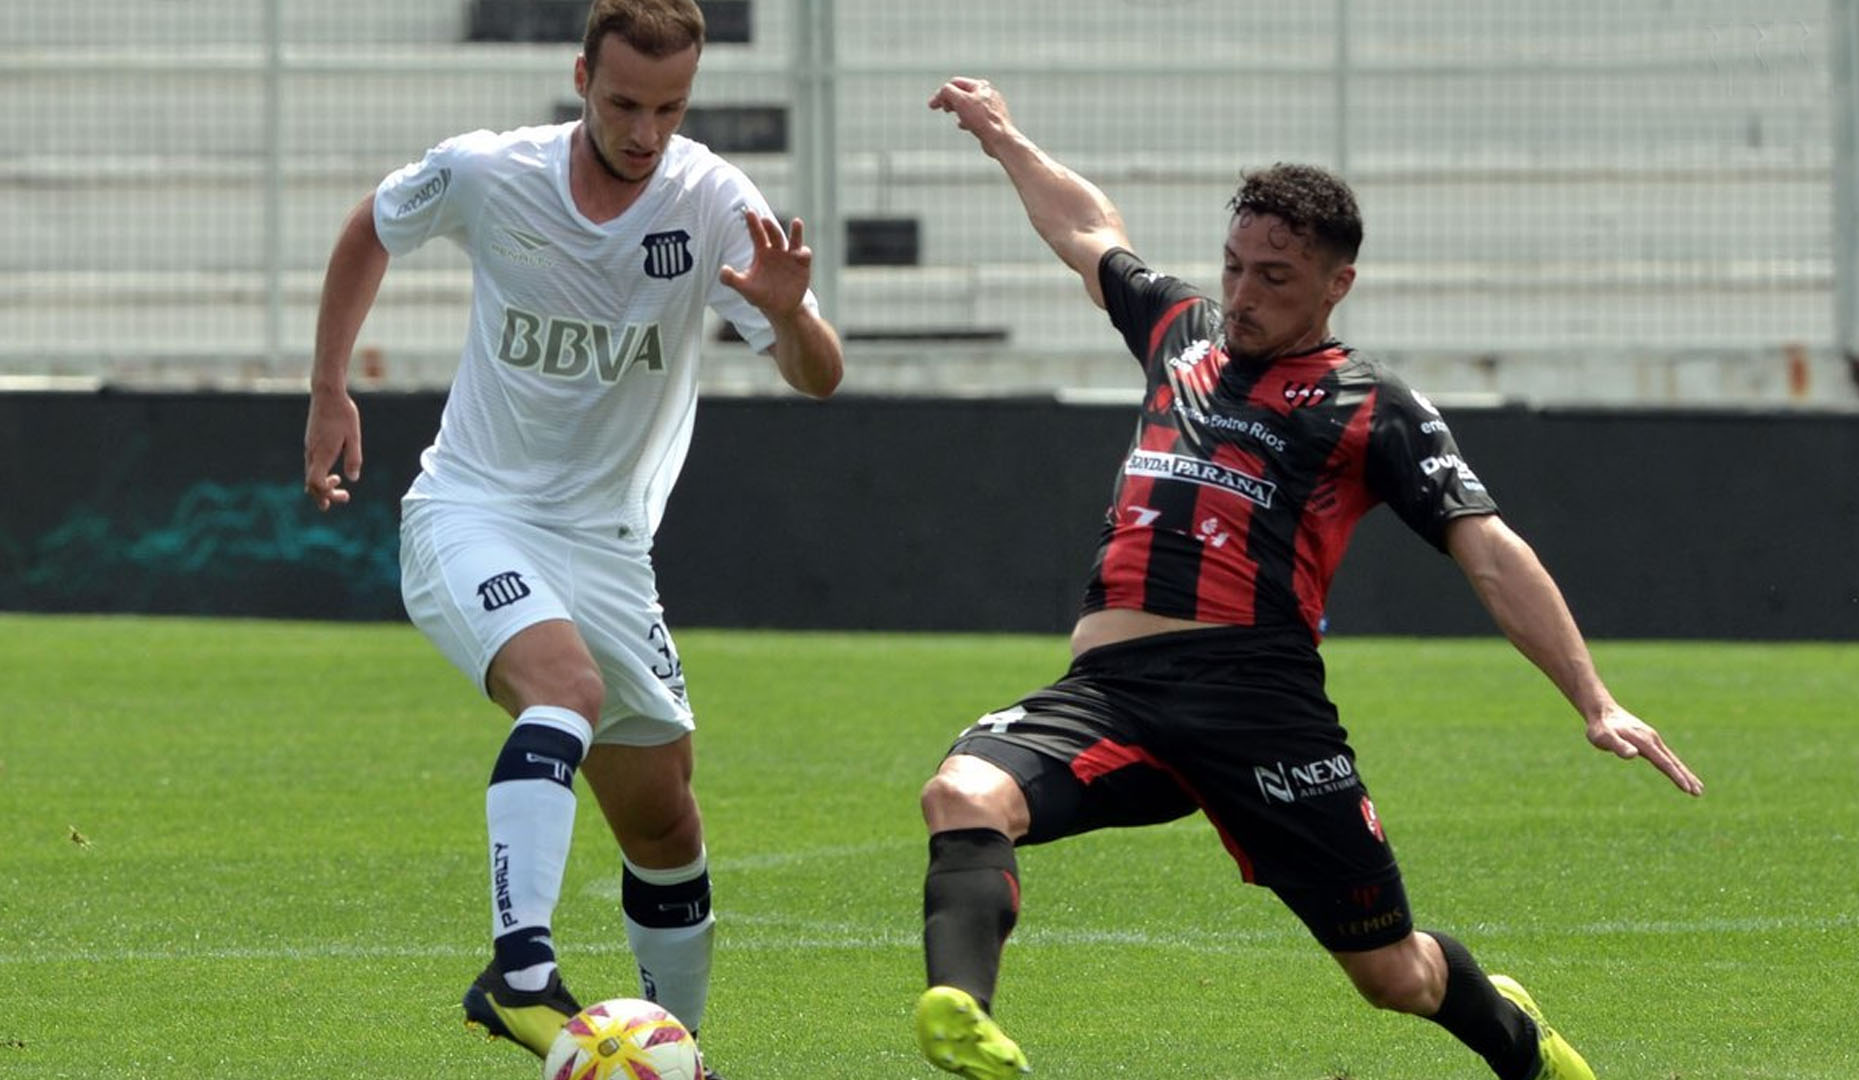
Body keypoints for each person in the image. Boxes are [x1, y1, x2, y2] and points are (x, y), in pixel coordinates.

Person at [912, 76, 1702, 1080]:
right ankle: (962, 1016)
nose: (1242, 296)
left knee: (1393, 976)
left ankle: (1521, 1043)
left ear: (1338, 284)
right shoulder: (1181, 336)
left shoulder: (1373, 407)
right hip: (1112, 697)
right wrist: (1003, 137)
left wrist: (1595, 700)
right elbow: (1089, 231)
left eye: (1275, 277)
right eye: (1234, 267)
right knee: (963, 794)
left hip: (1261, 706)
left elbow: (1489, 549)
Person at [301, 1, 843, 1073]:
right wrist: (328, 390)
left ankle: (680, 1056)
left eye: (672, 107)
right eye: (625, 104)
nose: (647, 132)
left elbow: (820, 378)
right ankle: (519, 966)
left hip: (606, 546)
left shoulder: (712, 198)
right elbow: (371, 226)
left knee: (664, 825)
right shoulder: (489, 172)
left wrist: (790, 317)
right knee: (565, 692)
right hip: (473, 511)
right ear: (582, 74)